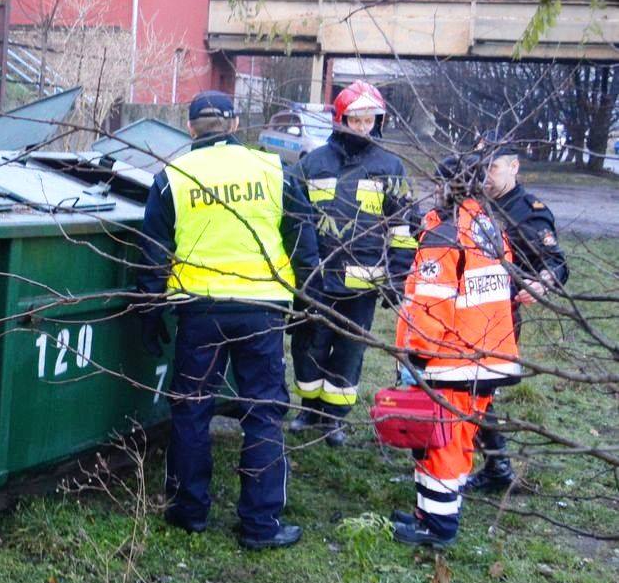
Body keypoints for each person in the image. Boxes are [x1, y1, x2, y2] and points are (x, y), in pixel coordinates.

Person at [136, 90, 320, 550]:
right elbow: (302, 238)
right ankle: (261, 524)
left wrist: (150, 309)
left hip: (200, 310)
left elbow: (153, 251)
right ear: (235, 123)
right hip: (262, 309)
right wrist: (309, 303)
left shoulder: (173, 177)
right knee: (263, 412)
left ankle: (188, 511)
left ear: (190, 127)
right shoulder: (273, 170)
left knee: (191, 409)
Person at [391, 154, 522, 547]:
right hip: (489, 354)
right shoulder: (488, 227)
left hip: (451, 359)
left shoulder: (445, 234)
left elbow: (431, 306)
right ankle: (430, 512)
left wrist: (415, 355)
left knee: (441, 444)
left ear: (446, 186)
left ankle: (437, 527)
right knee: (458, 440)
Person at [288, 81, 418, 446]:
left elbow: (404, 226)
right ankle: (308, 409)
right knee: (308, 345)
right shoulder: (313, 163)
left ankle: (334, 419)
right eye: (356, 120)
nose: (362, 127)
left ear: (378, 122)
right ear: (340, 119)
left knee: (349, 352)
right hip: (315, 280)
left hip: (362, 284)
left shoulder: (390, 167)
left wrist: (396, 277)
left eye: (368, 120)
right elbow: (292, 218)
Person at [465, 140, 568, 493]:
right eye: (481, 168)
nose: (485, 175)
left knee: (477, 389)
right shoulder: (470, 201)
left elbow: (555, 262)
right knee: (463, 388)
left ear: (514, 167)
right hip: (457, 313)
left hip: (497, 318)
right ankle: (472, 458)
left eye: (492, 168)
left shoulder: (527, 212)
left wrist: (542, 283)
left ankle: (496, 466)